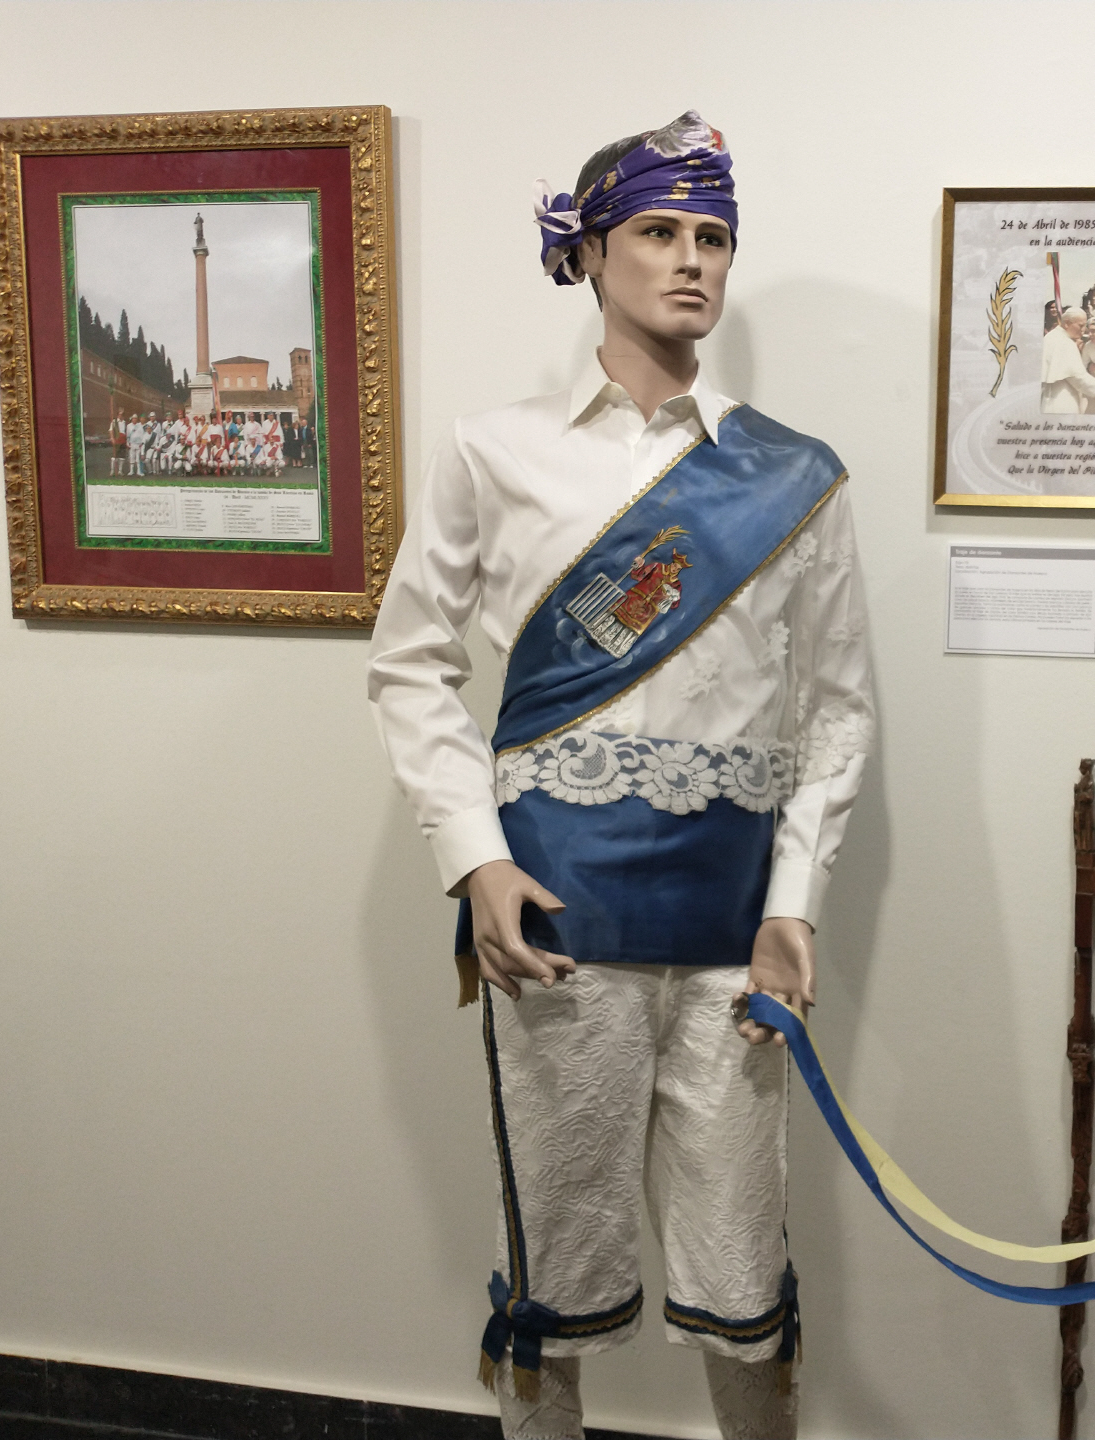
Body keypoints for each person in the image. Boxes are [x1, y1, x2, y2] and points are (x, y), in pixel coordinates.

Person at [366, 111, 873, 1440]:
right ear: (591, 251)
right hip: (554, 915)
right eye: (658, 231)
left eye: (715, 237)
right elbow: (409, 665)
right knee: (558, 1261)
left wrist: (796, 904)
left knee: (741, 1268)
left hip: (734, 930)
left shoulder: (797, 476)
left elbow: (836, 711)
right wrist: (473, 861)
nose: (692, 260)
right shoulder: (493, 450)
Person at [1040, 306, 1095, 413]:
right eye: (1081, 325)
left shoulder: (1050, 336)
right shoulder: (1066, 343)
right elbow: (1076, 375)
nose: (1083, 330)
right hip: (1063, 401)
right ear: (1067, 323)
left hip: (1047, 401)